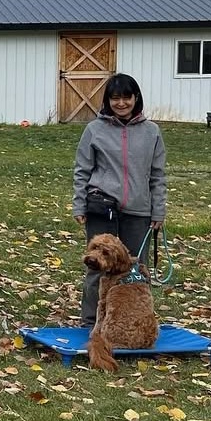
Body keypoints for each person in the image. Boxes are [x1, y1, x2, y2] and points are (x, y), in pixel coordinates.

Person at [72, 72, 166, 326]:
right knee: (96, 268)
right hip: (102, 209)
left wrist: (158, 210)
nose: (121, 103)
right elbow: (82, 170)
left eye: (127, 97)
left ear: (136, 98)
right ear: (107, 101)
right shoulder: (94, 130)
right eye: (115, 98)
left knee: (135, 270)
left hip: (139, 211)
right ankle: (91, 323)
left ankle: (135, 321)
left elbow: (157, 175)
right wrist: (79, 204)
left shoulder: (152, 132)